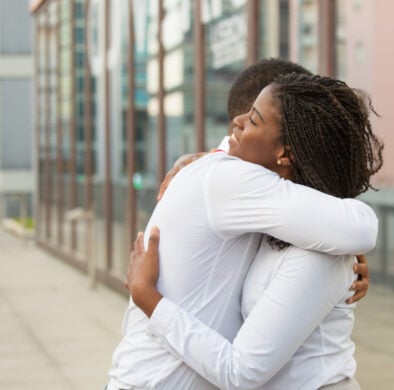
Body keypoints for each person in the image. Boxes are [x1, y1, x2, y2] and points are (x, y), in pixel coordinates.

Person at [107, 62, 380, 389]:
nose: (233, 129)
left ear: (287, 151)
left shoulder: (290, 225)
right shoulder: (231, 181)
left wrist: (349, 263)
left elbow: (358, 230)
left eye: (252, 119)